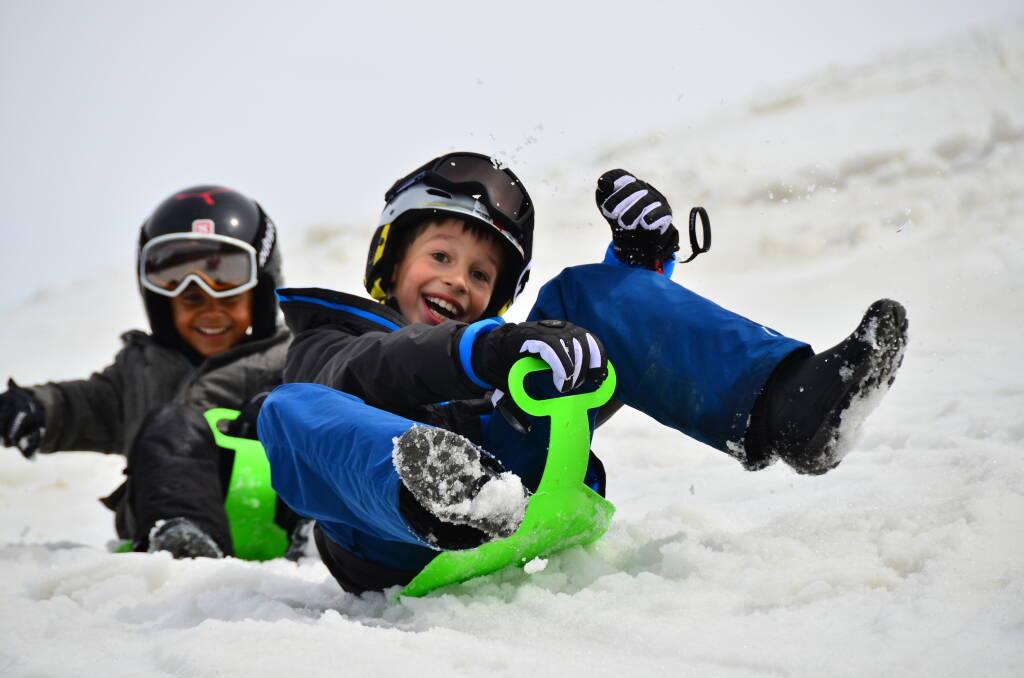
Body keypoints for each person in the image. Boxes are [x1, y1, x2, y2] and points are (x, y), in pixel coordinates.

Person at [256, 152, 908, 593]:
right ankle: (433, 491)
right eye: (441, 255)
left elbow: (574, 347)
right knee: (289, 411)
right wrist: (479, 350)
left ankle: (791, 407)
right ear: (391, 261)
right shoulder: (334, 333)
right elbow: (371, 370)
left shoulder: (494, 359)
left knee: (583, 296)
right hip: (378, 531)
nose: (458, 279)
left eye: (481, 274)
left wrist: (636, 271)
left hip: (504, 486)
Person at [0, 185, 305, 558]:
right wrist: (32, 408)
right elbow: (82, 406)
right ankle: (180, 538)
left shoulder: (292, 357)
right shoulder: (140, 372)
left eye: (227, 296)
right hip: (174, 518)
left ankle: (318, 537)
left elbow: (333, 404)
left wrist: (280, 405)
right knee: (171, 427)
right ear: (163, 304)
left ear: (258, 296)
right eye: (190, 299)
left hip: (274, 514)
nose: (210, 312)